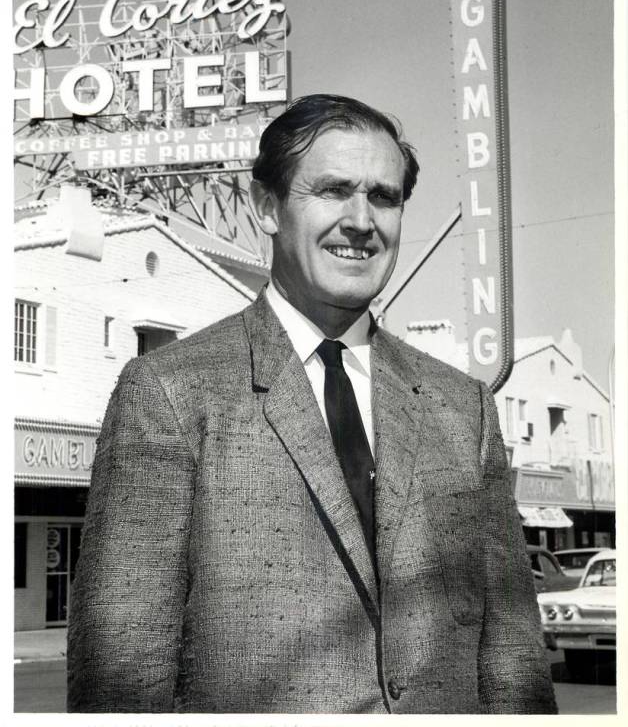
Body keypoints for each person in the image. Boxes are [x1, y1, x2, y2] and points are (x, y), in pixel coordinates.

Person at [67, 94, 557, 714]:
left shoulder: (465, 410)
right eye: (332, 191)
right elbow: (123, 665)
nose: (361, 220)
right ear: (267, 206)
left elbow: (513, 658)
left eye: (384, 197)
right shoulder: (169, 394)